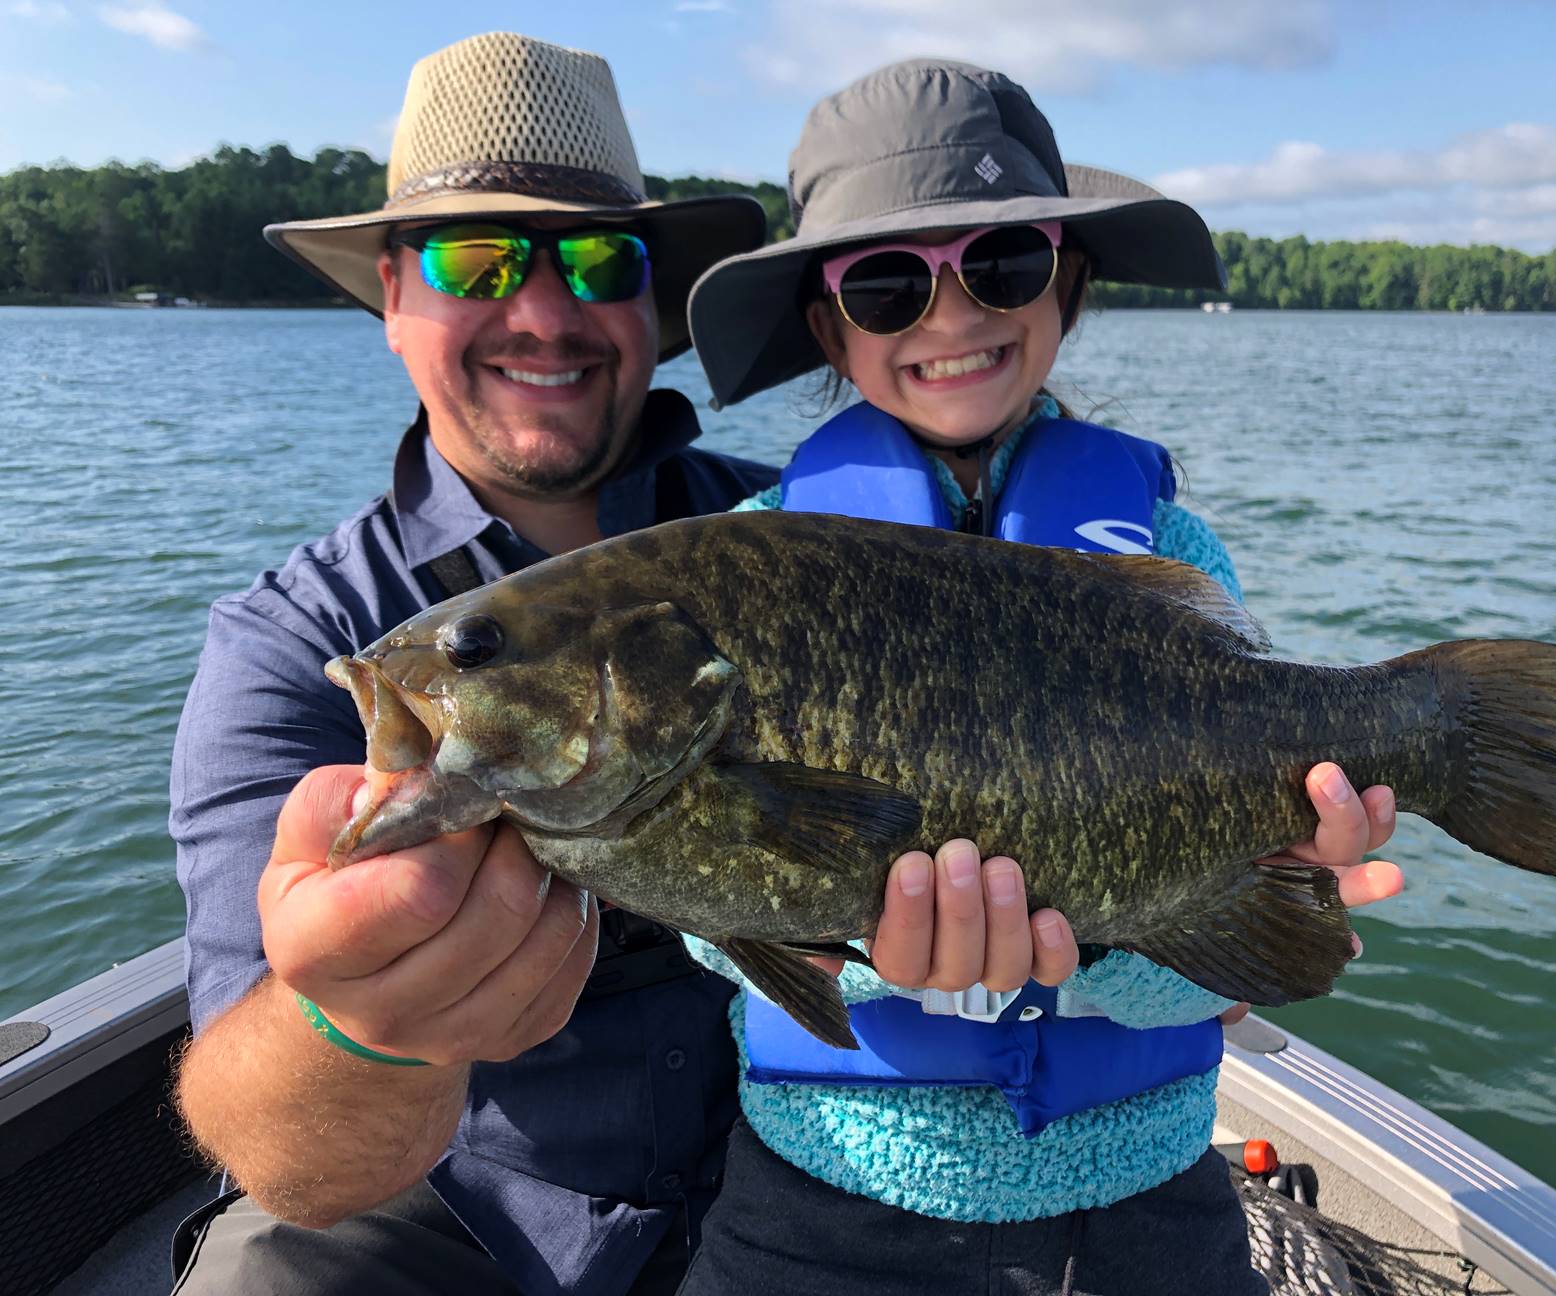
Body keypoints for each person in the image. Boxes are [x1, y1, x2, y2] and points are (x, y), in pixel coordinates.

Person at [166, 33, 1120, 1296]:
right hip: (454, 1217)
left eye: (598, 259)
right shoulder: (302, 641)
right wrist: (363, 1022)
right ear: (393, 294)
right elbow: (279, 1148)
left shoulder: (802, 540)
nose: (545, 312)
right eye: (477, 259)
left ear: (652, 306)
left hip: (821, 1174)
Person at [674, 59, 1403, 1295]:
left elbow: (1236, 910)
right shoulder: (742, 562)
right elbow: (703, 914)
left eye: (1001, 265)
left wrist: (1111, 946)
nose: (951, 319)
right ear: (827, 325)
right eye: (890, 285)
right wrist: (849, 942)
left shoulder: (1163, 552)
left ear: (1065, 282)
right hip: (822, 1204)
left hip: (1149, 1200)